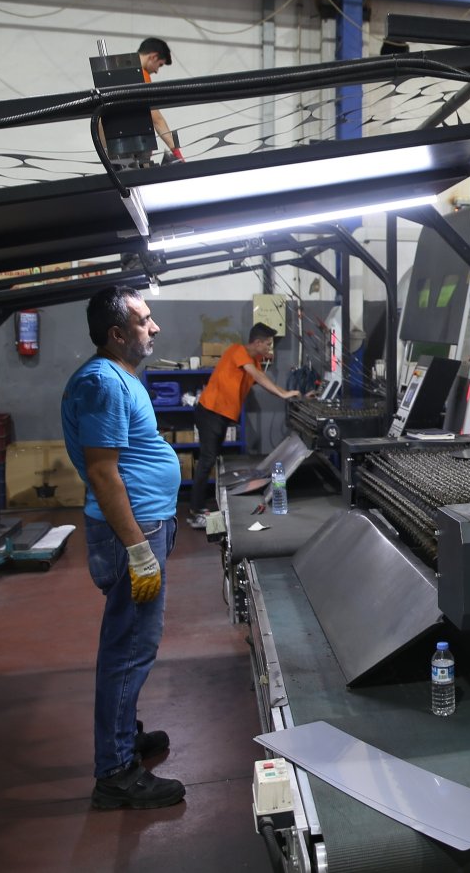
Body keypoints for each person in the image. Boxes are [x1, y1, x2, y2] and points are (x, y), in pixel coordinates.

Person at [61, 284, 186, 810]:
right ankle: (114, 770)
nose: (153, 328)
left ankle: (123, 735)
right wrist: (137, 549)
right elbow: (101, 471)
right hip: (132, 534)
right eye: (144, 321)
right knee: (128, 649)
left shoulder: (120, 377)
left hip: (146, 526)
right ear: (117, 334)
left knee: (131, 643)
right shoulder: (103, 384)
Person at [187, 322, 303, 527]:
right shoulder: (237, 351)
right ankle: (195, 512)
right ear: (257, 343)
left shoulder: (254, 363)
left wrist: (292, 395)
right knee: (207, 460)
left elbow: (263, 381)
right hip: (210, 413)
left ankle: (199, 507)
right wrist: (284, 394)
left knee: (210, 459)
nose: (269, 349)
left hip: (219, 416)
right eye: (267, 344)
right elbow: (257, 376)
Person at [137, 37, 183, 162]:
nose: (157, 71)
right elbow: (156, 119)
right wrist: (178, 154)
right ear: (153, 57)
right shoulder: (141, 75)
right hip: (135, 150)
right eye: (160, 65)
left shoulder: (118, 73)